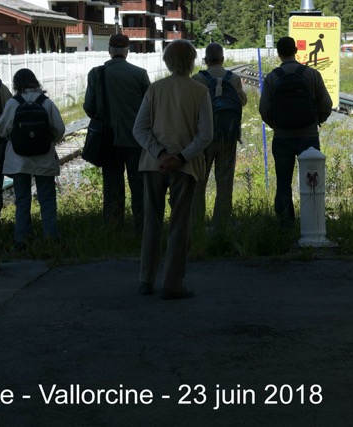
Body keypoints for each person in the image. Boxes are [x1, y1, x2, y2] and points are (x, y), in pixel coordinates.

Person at [133, 39, 213, 299]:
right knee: (180, 224)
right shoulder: (200, 92)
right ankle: (172, 284)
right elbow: (205, 135)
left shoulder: (155, 89)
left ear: (167, 62)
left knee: (151, 222)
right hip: (185, 167)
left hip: (153, 165)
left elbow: (139, 129)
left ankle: (146, 280)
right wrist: (180, 157)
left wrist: (159, 154)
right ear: (192, 62)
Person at [259, 36, 333, 227]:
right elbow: (326, 105)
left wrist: (277, 125)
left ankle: (286, 226)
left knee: (283, 183)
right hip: (309, 136)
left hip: (282, 138)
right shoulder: (312, 74)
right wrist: (316, 122)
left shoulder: (272, 77)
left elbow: (264, 109)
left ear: (278, 53)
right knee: (313, 182)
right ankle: (313, 223)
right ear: (295, 51)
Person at [84, 33, 151, 233]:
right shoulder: (140, 74)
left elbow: (89, 107)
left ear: (110, 51)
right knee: (139, 188)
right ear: (127, 51)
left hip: (108, 140)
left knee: (112, 187)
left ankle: (114, 229)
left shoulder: (97, 74)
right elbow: (149, 107)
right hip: (136, 141)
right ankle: (142, 229)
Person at [0, 68, 66, 249]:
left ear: (16, 83)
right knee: (47, 199)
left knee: (22, 200)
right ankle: (51, 239)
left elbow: (2, 129)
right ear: (35, 82)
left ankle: (21, 240)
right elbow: (59, 128)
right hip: (44, 159)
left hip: (19, 160)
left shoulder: (13, 103)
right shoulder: (46, 102)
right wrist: (49, 142)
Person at [191, 42, 247, 229]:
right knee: (224, 182)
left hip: (204, 139)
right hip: (228, 137)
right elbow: (242, 101)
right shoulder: (233, 78)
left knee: (199, 181)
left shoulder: (198, 79)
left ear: (205, 60)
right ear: (222, 59)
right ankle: (221, 224)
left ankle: (197, 224)